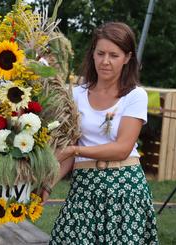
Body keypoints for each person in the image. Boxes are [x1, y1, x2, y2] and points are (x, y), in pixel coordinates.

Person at [45, 22, 158, 244]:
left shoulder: (135, 96)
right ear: (93, 55)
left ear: (127, 58)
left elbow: (122, 148)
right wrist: (47, 186)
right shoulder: (77, 94)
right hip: (85, 187)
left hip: (125, 189)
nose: (105, 61)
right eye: (100, 53)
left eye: (114, 55)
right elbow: (67, 152)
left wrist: (76, 150)